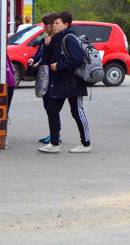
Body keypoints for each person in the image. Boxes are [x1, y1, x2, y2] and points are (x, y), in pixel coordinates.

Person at [37, 12, 91, 154]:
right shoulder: (56, 40)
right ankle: (54, 143)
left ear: (65, 25)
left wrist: (59, 66)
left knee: (77, 112)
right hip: (60, 83)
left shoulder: (69, 38)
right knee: (52, 109)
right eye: (53, 23)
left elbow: (76, 59)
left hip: (74, 82)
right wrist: (47, 45)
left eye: (57, 23)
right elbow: (48, 61)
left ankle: (86, 144)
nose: (54, 26)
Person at [30, 13, 57, 145]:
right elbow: (39, 55)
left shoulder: (56, 40)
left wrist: (42, 59)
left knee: (52, 107)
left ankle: (55, 135)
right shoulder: (44, 40)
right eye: (44, 24)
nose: (45, 27)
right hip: (44, 76)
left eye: (48, 24)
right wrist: (33, 59)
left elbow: (49, 58)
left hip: (53, 78)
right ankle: (53, 133)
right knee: (47, 106)